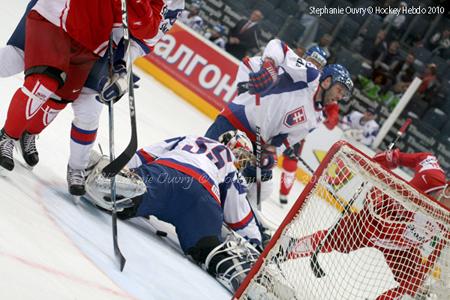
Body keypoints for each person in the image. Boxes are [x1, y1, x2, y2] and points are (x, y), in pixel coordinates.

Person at [0, 0, 184, 196]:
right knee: (18, 60)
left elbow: (143, 40)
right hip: (63, 12)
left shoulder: (174, 5)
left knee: (77, 100)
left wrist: (122, 67)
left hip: (101, 38)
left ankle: (29, 134)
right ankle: (9, 135)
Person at [83, 130, 266, 292]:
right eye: (242, 156)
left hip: (167, 175)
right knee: (209, 249)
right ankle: (239, 271)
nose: (241, 162)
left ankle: (110, 181)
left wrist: (124, 169)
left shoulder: (191, 137)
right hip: (203, 200)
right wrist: (255, 242)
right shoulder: (230, 166)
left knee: (134, 194)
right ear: (234, 149)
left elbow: (145, 154)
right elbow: (239, 216)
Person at [205, 38, 353, 209]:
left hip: (256, 143)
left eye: (344, 94)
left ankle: (238, 215)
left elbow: (286, 139)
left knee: (258, 190)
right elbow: (278, 45)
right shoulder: (310, 75)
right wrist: (269, 68)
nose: (340, 97)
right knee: (203, 164)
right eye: (339, 90)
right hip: (236, 121)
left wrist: (271, 153)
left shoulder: (317, 118)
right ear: (327, 81)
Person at [286, 149, 450, 299]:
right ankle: (282, 251)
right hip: (373, 223)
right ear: (447, 191)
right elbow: (421, 157)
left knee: (413, 287)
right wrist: (388, 160)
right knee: (328, 241)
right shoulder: (431, 176)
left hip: (402, 247)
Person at [278, 45, 339, 205]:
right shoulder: (292, 68)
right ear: (304, 56)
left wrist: (329, 118)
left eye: (319, 65)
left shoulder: (320, 85)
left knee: (289, 162)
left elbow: (333, 114)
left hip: (296, 128)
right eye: (312, 61)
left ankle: (284, 194)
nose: (314, 67)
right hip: (277, 117)